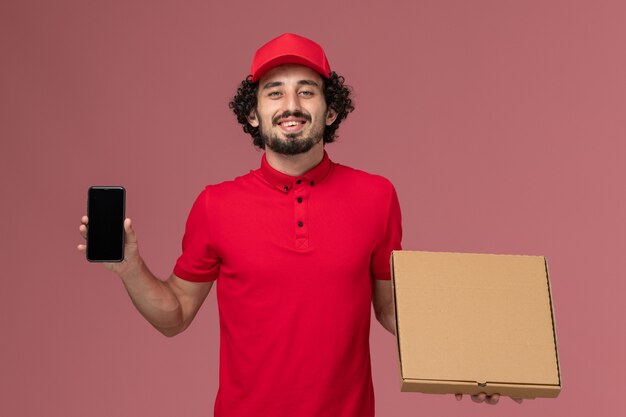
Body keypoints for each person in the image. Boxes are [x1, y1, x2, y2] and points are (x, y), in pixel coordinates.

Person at [78, 33, 507, 416]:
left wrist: (469, 364)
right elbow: (175, 315)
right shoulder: (215, 204)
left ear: (330, 110)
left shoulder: (377, 196)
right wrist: (129, 268)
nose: (291, 106)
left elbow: (391, 308)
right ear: (253, 114)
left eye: (307, 91)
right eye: (274, 92)